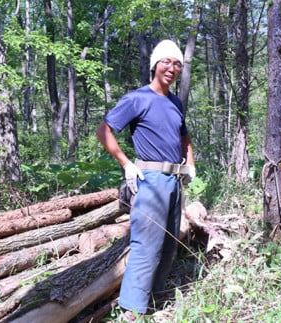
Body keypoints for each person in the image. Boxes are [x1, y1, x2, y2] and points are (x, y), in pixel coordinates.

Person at [96, 39, 195, 321]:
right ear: (154, 65)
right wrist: (126, 164)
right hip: (150, 179)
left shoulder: (175, 102)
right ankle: (131, 310)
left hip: (175, 181)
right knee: (146, 244)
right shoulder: (137, 99)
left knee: (168, 243)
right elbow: (104, 131)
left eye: (177, 63)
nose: (172, 68)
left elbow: (184, 136)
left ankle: (156, 299)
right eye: (166, 61)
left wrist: (190, 164)